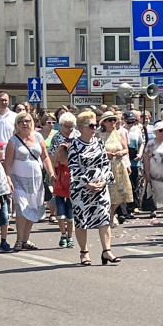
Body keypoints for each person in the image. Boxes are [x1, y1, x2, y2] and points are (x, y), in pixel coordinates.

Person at [53, 110, 118, 266]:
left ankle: (106, 251)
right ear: (81, 127)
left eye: (96, 125)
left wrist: (104, 181)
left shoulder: (99, 143)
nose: (94, 128)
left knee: (104, 218)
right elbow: (73, 168)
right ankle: (84, 252)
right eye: (91, 125)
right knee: (82, 221)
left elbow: (105, 164)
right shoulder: (74, 145)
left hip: (100, 188)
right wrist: (87, 183)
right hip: (82, 190)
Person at [5, 111, 54, 251]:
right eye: (21, 122)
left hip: (36, 179)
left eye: (27, 121)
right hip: (19, 179)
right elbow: (7, 163)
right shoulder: (13, 140)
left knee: (32, 208)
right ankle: (19, 240)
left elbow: (45, 157)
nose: (25, 124)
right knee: (21, 208)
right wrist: (8, 178)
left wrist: (51, 173)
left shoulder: (38, 137)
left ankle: (26, 239)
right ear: (17, 124)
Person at [49, 112, 78, 248]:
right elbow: (53, 159)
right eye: (67, 126)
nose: (70, 129)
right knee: (60, 206)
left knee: (71, 208)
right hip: (60, 174)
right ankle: (63, 234)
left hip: (75, 175)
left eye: (72, 126)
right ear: (61, 125)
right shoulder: (57, 137)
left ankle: (71, 236)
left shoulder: (77, 135)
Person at [98, 112, 133, 224]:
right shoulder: (98, 135)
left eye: (114, 120)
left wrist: (120, 153)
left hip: (118, 165)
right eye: (110, 120)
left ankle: (111, 214)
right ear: (104, 122)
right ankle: (109, 216)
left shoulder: (119, 133)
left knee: (121, 193)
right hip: (105, 167)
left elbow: (126, 149)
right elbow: (95, 150)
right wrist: (105, 154)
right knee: (108, 192)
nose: (113, 122)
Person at [143, 122, 163, 220]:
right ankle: (153, 210)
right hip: (155, 170)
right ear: (156, 132)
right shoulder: (151, 143)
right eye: (161, 130)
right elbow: (146, 158)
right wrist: (146, 172)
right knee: (154, 191)